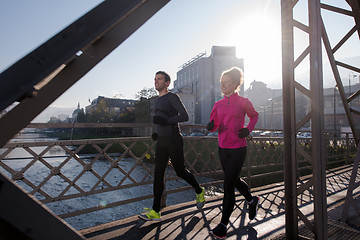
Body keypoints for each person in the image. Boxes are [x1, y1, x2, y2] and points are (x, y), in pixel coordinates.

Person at [139, 71, 205, 221]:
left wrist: (166, 121)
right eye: (155, 79)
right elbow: (160, 121)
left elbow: (184, 116)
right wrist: (157, 132)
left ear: (167, 83)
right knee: (158, 174)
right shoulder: (157, 101)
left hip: (174, 139)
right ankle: (156, 211)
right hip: (162, 141)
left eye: (159, 79)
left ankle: (199, 190)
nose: (156, 82)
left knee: (180, 172)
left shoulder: (172, 97)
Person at [207, 67, 259, 239]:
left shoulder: (243, 102)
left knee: (228, 185)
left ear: (236, 84)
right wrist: (211, 127)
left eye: (227, 83)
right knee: (234, 179)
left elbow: (254, 116)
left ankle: (223, 225)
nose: (223, 86)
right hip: (223, 148)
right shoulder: (218, 104)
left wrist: (247, 129)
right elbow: (214, 124)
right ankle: (252, 200)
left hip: (238, 148)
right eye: (221, 83)